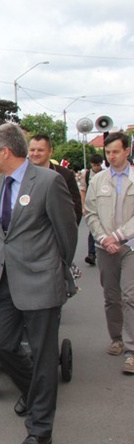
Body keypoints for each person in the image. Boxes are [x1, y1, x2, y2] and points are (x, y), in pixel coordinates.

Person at [0, 123, 77, 444]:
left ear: (5, 151)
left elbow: (67, 234)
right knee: (3, 343)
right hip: (4, 281)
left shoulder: (49, 182)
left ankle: (40, 430)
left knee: (43, 356)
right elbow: (2, 235)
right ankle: (34, 391)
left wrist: (55, 268)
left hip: (40, 280)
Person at [83, 132, 134, 374]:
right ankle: (117, 338)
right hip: (106, 248)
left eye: (115, 151)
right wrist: (104, 238)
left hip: (130, 247)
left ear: (127, 151)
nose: (110, 156)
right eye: (108, 152)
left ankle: (132, 351)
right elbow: (90, 213)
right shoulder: (98, 180)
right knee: (111, 297)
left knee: (130, 297)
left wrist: (120, 235)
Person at [28, 134, 83, 225]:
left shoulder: (65, 175)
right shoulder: (21, 173)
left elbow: (75, 209)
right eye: (32, 150)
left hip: (55, 233)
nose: (35, 153)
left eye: (40, 150)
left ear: (50, 152)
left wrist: (67, 234)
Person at [80, 154, 105, 265]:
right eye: (94, 165)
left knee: (105, 228)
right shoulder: (86, 174)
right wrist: (83, 206)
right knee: (92, 229)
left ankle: (103, 251)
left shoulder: (105, 174)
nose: (96, 167)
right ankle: (91, 254)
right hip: (91, 205)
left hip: (103, 205)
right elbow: (83, 190)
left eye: (98, 165)